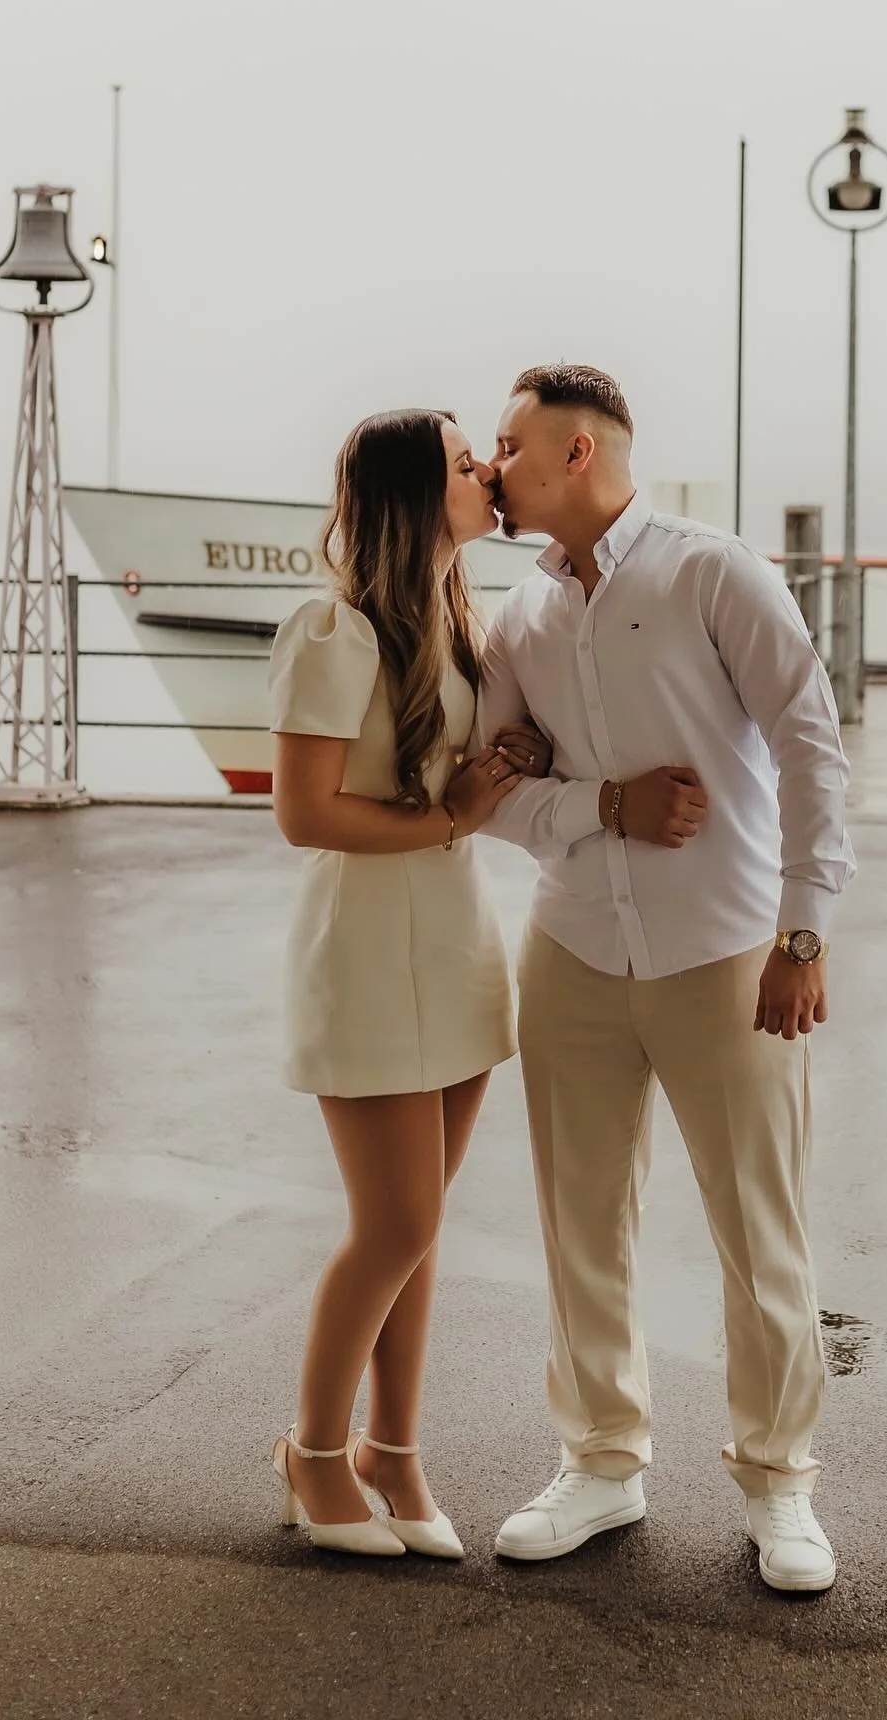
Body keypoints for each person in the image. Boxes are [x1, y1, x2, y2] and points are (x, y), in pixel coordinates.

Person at [473, 363, 855, 1594]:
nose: (494, 465)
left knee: (763, 1233)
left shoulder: (710, 571)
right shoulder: (520, 618)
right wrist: (599, 804)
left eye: (511, 444)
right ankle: (601, 1462)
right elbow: (481, 792)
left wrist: (802, 931)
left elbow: (809, 738)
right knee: (582, 1222)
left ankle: (781, 1484)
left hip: (726, 953)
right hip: (574, 949)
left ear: (577, 453)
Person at [266, 408, 550, 1559]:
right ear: (410, 492)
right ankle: (315, 1457)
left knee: (419, 1230)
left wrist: (502, 766)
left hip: (456, 938)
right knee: (395, 1223)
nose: (489, 472)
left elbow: (459, 782)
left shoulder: (458, 621)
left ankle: (395, 1449)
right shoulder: (331, 630)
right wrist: (450, 812)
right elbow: (303, 813)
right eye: (466, 461)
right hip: (372, 951)